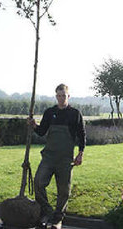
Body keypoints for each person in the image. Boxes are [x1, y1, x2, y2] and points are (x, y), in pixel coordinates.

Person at [28, 84, 86, 229]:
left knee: (64, 191)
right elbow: (42, 132)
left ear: (68, 96)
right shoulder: (49, 112)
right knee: (38, 182)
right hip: (48, 157)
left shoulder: (75, 114)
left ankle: (57, 220)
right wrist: (34, 125)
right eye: (58, 96)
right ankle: (47, 213)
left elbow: (82, 135)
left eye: (63, 96)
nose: (61, 99)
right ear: (56, 96)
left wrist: (80, 153)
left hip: (66, 159)